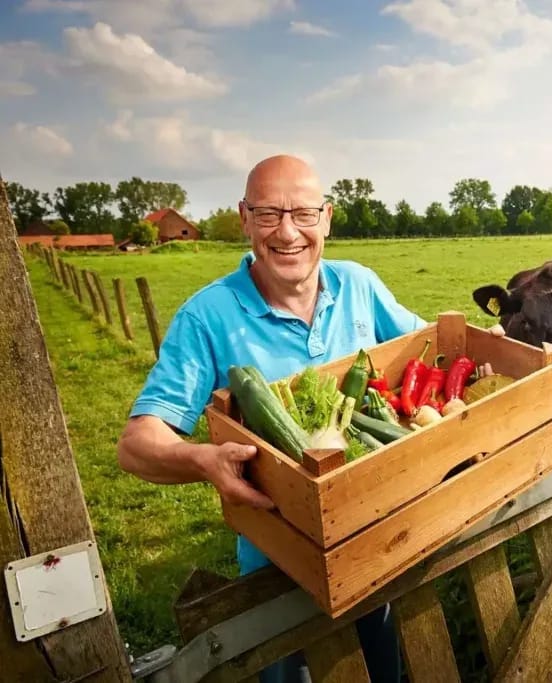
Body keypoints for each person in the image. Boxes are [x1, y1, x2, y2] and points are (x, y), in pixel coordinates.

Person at [117, 154, 427, 682]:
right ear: (243, 218)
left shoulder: (359, 285)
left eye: (303, 214)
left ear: (327, 218)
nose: (287, 233)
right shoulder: (207, 316)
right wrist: (199, 458)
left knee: (385, 671)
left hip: (383, 541)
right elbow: (136, 443)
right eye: (268, 214)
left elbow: (425, 349)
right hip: (279, 572)